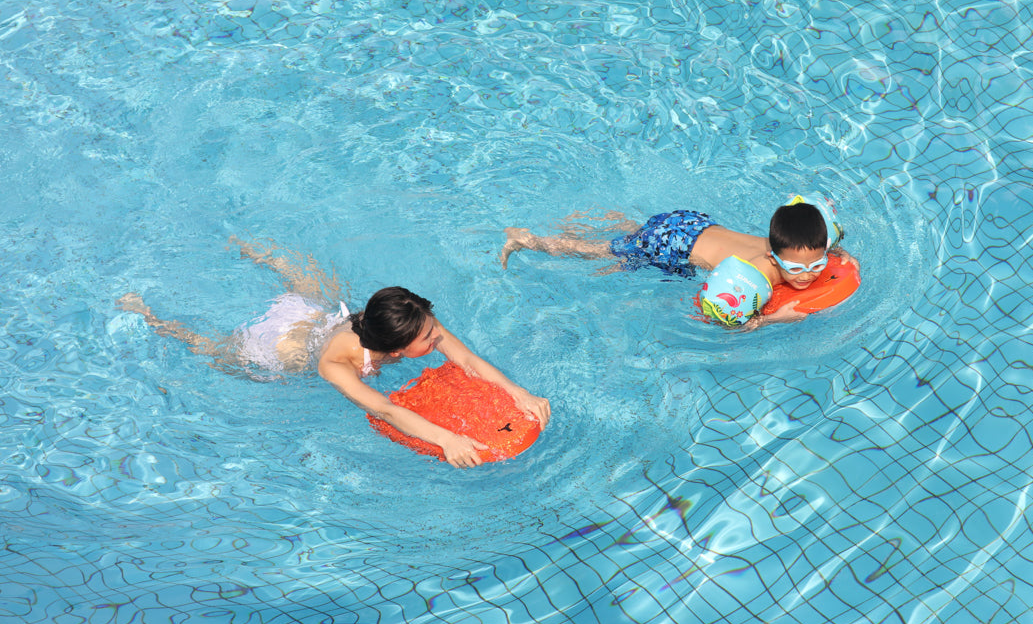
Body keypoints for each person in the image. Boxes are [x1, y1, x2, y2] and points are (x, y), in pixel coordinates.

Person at [117, 238, 549, 468]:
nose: (439, 339)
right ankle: (152, 316)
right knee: (215, 352)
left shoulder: (412, 320)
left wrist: (519, 393)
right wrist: (448, 438)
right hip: (279, 350)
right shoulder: (334, 367)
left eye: (435, 331)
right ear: (397, 347)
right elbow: (384, 410)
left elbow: (467, 359)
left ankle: (246, 245)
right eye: (429, 340)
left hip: (318, 317)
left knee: (310, 288)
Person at [500, 197, 858, 329]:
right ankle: (530, 240)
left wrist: (838, 256)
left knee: (635, 234)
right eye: (795, 269)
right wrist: (774, 320)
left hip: (692, 222)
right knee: (604, 252)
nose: (808, 275)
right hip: (670, 244)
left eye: (817, 264)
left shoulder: (808, 237)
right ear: (772, 256)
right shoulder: (753, 276)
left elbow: (817, 217)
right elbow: (717, 319)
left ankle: (608, 220)